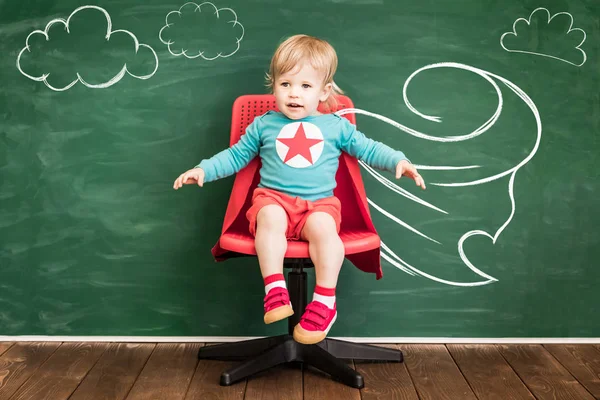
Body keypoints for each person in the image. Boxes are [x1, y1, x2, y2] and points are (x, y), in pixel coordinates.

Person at [173, 34, 426, 345]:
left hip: (318, 206)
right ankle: (275, 289)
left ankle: (324, 300)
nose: (294, 94)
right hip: (273, 200)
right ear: (274, 85)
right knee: (269, 217)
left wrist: (398, 161)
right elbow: (236, 156)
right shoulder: (264, 124)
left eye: (305, 86)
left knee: (324, 229)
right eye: (286, 84)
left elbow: (368, 148)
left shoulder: (336, 126)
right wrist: (203, 170)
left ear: (324, 91)